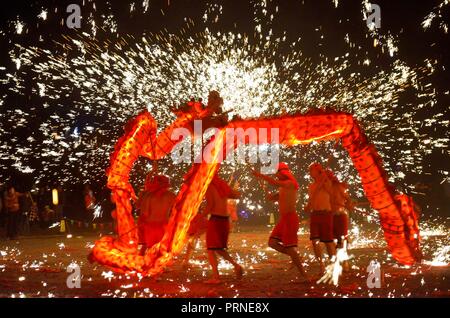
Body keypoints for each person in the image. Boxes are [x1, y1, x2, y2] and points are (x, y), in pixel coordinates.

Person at [252, 163, 309, 281]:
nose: (276, 176)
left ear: (282, 173)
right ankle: (295, 257)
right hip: (283, 219)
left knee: (289, 248)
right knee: (272, 242)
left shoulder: (290, 183)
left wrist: (260, 175)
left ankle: (304, 275)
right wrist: (270, 197)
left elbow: (274, 182)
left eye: (278, 173)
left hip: (290, 219)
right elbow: (275, 197)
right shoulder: (283, 186)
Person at [204, 173, 243, 284]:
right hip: (225, 220)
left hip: (215, 220)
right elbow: (235, 195)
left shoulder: (209, 186)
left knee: (211, 250)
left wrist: (200, 216)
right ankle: (236, 266)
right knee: (219, 249)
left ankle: (216, 277)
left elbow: (210, 204)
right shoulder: (222, 184)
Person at [305, 163, 336, 274]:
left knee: (328, 241)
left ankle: (333, 265)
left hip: (325, 214)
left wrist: (324, 180)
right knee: (314, 241)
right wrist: (308, 206)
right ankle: (321, 265)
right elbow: (312, 198)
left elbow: (331, 193)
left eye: (311, 170)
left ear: (318, 171)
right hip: (315, 214)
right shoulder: (311, 185)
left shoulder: (327, 182)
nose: (310, 172)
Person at [136, 174, 176, 254]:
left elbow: (144, 213)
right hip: (164, 226)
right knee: (162, 250)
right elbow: (178, 209)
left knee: (151, 249)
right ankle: (158, 264)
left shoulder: (149, 196)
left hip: (151, 226)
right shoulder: (171, 196)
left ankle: (145, 262)